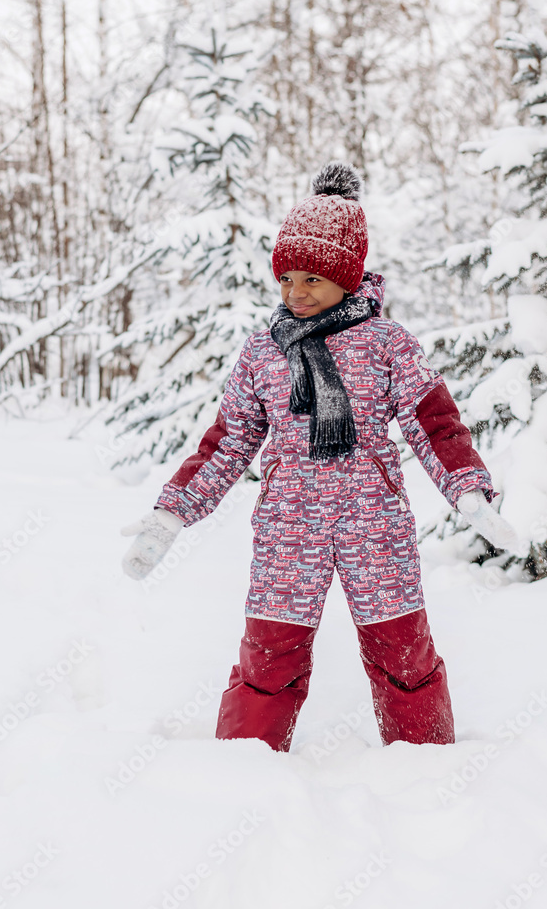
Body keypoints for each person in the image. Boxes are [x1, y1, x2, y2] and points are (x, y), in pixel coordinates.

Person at [121, 162, 518, 753]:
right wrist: (173, 512)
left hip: (374, 523)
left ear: (348, 278)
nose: (295, 292)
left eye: (312, 278)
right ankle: (242, 766)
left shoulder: (386, 343)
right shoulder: (263, 351)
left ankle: (427, 765)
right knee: (267, 659)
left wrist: (467, 491)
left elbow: (434, 422)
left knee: (403, 656)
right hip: (289, 525)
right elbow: (227, 441)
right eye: (285, 279)